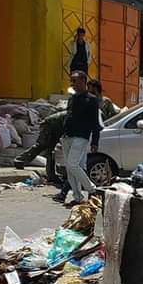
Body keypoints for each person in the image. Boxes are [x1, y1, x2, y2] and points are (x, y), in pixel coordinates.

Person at [57, 71, 100, 205]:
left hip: (81, 136)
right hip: (67, 136)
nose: (72, 84)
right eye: (71, 81)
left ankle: (92, 190)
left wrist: (95, 141)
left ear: (83, 81)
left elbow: (95, 123)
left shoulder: (91, 100)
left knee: (73, 164)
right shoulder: (72, 98)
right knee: (70, 169)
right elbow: (68, 116)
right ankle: (77, 198)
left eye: (75, 81)